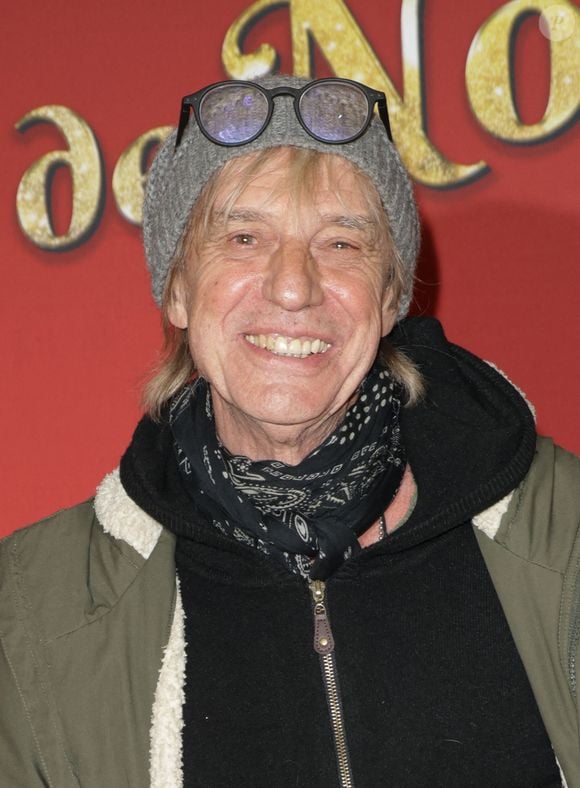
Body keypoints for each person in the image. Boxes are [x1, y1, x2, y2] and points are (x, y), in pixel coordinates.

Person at [1, 75, 578, 788]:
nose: (294, 286)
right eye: (244, 238)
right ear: (177, 289)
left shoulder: (565, 534)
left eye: (340, 243)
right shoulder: (32, 609)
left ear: (390, 297)